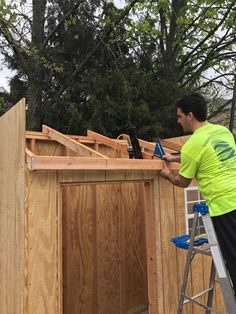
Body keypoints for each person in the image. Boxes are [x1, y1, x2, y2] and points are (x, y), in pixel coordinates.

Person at [160, 92, 236, 296]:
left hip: (225, 207)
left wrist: (167, 174)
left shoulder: (193, 144)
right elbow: (205, 152)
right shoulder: (223, 132)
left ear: (190, 116)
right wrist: (173, 157)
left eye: (179, 116)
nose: (178, 120)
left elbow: (183, 182)